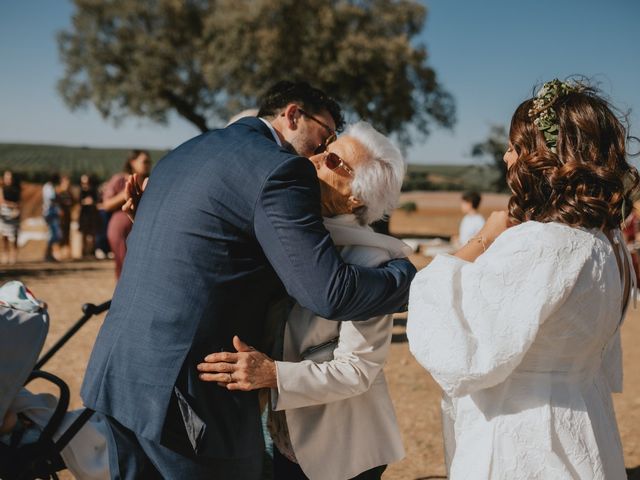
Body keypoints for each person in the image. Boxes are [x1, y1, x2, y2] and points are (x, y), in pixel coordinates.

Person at [81, 81, 416, 479]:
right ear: (292, 115)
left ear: (358, 198)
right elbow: (330, 291)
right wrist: (408, 282)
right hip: (183, 394)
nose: (318, 155)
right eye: (323, 141)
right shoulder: (279, 172)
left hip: (120, 377)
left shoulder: (188, 151)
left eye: (332, 156)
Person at [407, 79, 638, 479]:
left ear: (542, 157)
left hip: (527, 437)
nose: (506, 156)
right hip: (584, 421)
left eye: (515, 147)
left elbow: (466, 352)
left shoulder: (542, 244)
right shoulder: (607, 243)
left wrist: (484, 240)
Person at [197, 122, 408, 480]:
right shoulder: (291, 233)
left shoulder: (371, 262)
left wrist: (272, 374)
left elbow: (357, 370)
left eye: (331, 159)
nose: (310, 160)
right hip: (278, 434)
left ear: (356, 196)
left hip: (338, 451)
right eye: (321, 149)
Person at [101, 150, 151, 278]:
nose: (147, 165)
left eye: (149, 162)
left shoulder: (150, 181)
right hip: (120, 230)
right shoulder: (119, 180)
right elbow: (106, 205)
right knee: (124, 267)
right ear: (132, 162)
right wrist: (126, 194)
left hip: (139, 229)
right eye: (144, 161)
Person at [0, 170, 21, 265]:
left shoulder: (17, 189)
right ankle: (5, 255)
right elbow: (2, 201)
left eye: (10, 178)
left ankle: (14, 256)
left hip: (15, 214)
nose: (8, 180)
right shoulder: (2, 189)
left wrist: (17, 209)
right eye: (7, 178)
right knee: (4, 236)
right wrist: (13, 205)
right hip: (5, 214)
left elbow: (20, 201)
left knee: (14, 236)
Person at [78, 174, 100, 258]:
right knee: (83, 234)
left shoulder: (93, 191)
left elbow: (97, 201)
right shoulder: (81, 191)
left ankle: (92, 252)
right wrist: (86, 202)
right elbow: (79, 202)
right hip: (84, 215)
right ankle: (83, 252)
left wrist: (92, 202)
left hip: (92, 215)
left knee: (93, 234)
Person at [42, 173, 61, 262]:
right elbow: (52, 199)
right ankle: (47, 254)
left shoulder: (49, 187)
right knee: (52, 234)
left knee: (54, 234)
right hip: (50, 213)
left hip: (51, 213)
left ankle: (49, 254)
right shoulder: (48, 187)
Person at [57, 175, 75, 260]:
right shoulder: (58, 193)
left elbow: (73, 203)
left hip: (67, 217)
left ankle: (67, 254)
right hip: (60, 218)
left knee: (67, 235)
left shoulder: (69, 193)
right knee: (60, 235)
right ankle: (59, 253)